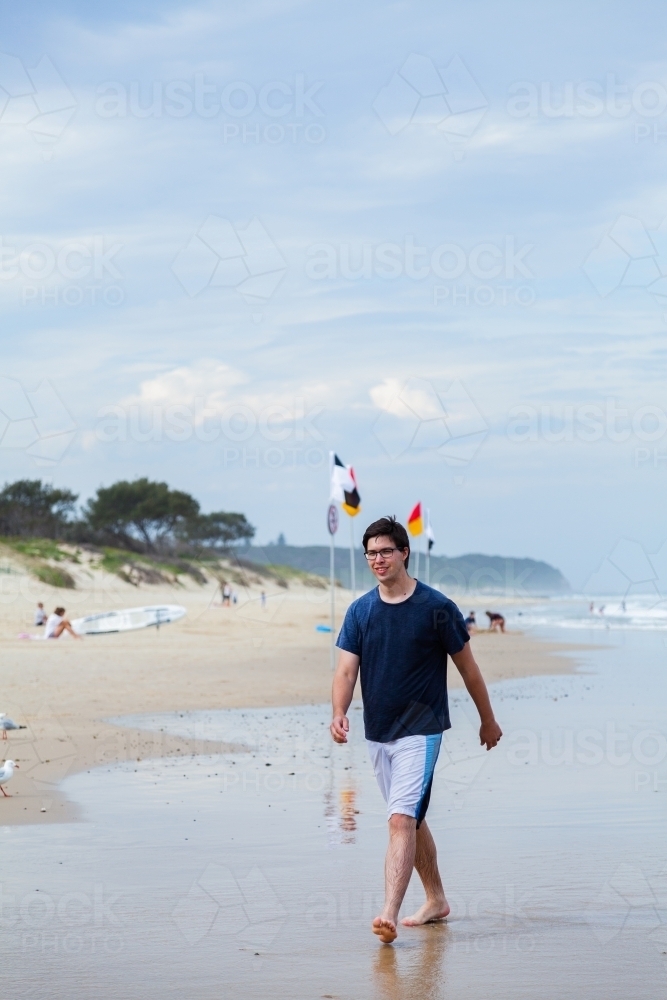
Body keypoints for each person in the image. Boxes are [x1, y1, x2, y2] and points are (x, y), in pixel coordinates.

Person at [330, 516, 502, 944]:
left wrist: (487, 718)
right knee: (413, 818)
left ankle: (389, 911)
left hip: (421, 730)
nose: (377, 559)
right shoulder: (361, 610)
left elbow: (469, 668)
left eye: (386, 551)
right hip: (378, 731)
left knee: (401, 820)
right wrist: (339, 711)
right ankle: (437, 899)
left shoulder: (436, 607)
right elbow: (346, 669)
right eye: (370, 552)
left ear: (404, 552)